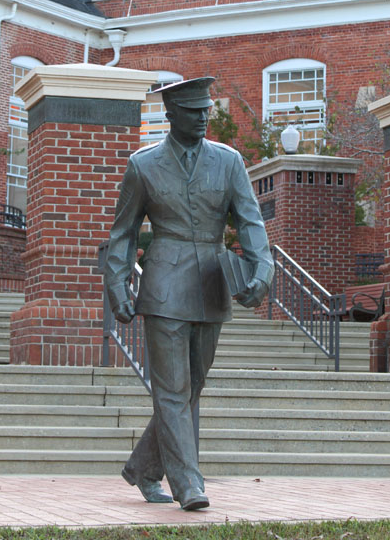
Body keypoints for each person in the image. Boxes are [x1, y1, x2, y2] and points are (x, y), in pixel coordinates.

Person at [102, 76, 273, 511]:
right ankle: (189, 484)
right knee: (173, 390)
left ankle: (143, 468)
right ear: (171, 114)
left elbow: (250, 221)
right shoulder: (143, 165)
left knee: (190, 388)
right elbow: (123, 234)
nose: (202, 119)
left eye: (206, 112)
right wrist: (118, 285)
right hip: (163, 287)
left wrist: (262, 270)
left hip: (213, 286)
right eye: (194, 112)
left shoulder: (228, 161)